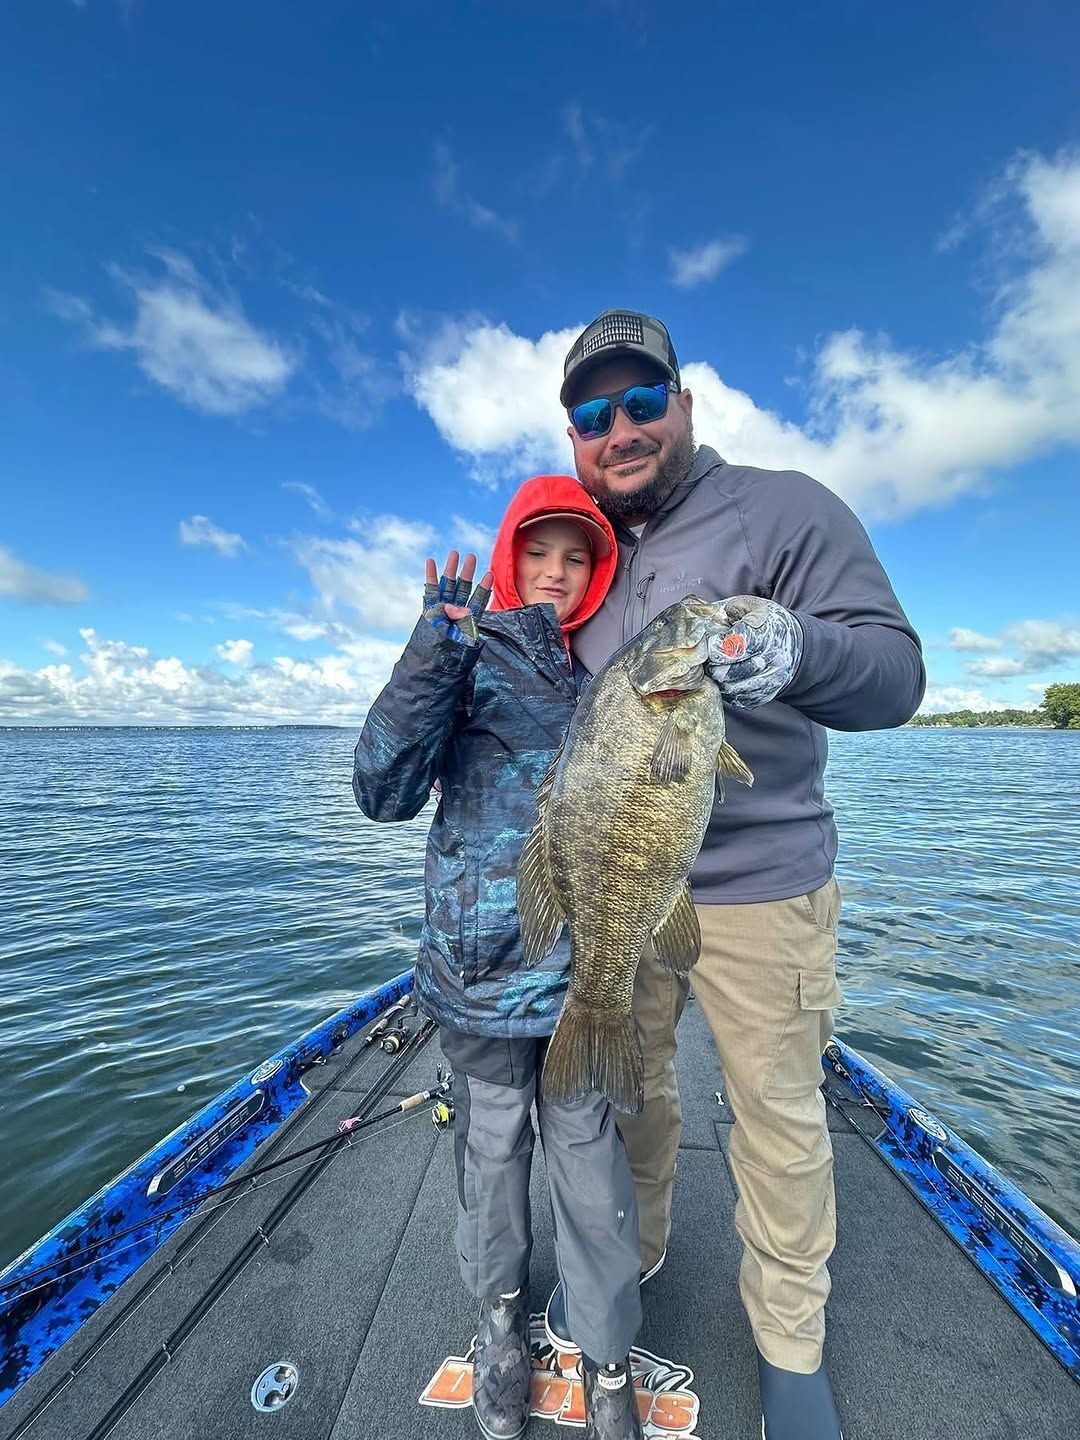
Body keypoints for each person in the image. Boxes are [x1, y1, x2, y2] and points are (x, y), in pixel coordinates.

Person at [542, 310, 926, 1440]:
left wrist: (799, 648)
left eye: (641, 401)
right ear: (575, 436)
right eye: (592, 413)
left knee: (777, 1115)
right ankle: (641, 1246)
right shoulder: (584, 553)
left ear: (685, 402)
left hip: (768, 886)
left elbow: (896, 675)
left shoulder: (785, 506)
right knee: (635, 1096)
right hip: (623, 885)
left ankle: (789, 1345)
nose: (619, 429)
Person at [353, 475, 647, 1440]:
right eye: (539, 553)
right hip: (477, 975)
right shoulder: (466, 654)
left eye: (578, 557)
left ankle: (604, 1356)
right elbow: (381, 790)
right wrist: (432, 647)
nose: (557, 574)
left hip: (579, 981)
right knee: (490, 1153)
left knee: (591, 1161)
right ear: (509, 557)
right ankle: (501, 1326)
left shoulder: (610, 677)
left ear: (598, 573)